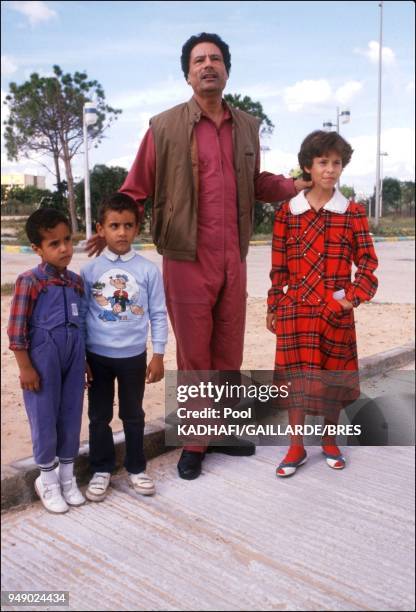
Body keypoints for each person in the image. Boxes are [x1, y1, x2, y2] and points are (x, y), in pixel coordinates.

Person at [87, 32, 310, 480]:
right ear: (187, 74)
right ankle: (195, 440)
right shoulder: (164, 125)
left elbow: (255, 182)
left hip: (235, 256)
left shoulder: (247, 124)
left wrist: (293, 185)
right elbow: (137, 185)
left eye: (215, 59)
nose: (207, 65)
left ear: (227, 69)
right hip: (188, 257)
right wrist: (108, 228)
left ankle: (223, 430)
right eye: (198, 60)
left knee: (229, 349)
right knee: (194, 354)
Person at [266, 130, 378, 476]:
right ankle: (296, 446)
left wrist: (350, 300)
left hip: (334, 313)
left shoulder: (352, 213)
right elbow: (278, 267)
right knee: (296, 382)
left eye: (336, 163)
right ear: (307, 167)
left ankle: (330, 442)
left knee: (331, 380)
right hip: (296, 312)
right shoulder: (288, 213)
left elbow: (368, 264)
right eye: (322, 162)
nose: (330, 169)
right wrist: (275, 306)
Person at [81, 193, 168, 501]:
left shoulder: (147, 270)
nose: (121, 232)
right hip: (98, 357)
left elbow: (158, 313)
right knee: (99, 416)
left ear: (136, 228)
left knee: (133, 415)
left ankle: (135, 468)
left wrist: (158, 354)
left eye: (127, 225)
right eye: (114, 225)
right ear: (100, 228)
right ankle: (101, 469)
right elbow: (81, 318)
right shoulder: (89, 272)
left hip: (134, 357)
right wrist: (82, 359)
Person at [7, 208, 86, 513]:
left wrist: (85, 361)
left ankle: (68, 477)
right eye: (54, 244)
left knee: (71, 414)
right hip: (42, 359)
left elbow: (84, 325)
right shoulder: (30, 281)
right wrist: (25, 367)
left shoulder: (76, 283)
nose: (65, 248)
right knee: (44, 418)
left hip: (74, 357)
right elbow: (16, 329)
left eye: (68, 240)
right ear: (38, 249)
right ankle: (48, 479)